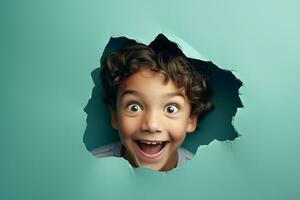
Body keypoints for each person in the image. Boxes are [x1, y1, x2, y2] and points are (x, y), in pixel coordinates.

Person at [92, 41, 214, 171]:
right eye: (134, 107)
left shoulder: (201, 174)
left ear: (191, 119)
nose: (152, 125)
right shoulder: (90, 167)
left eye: (170, 109)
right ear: (115, 116)